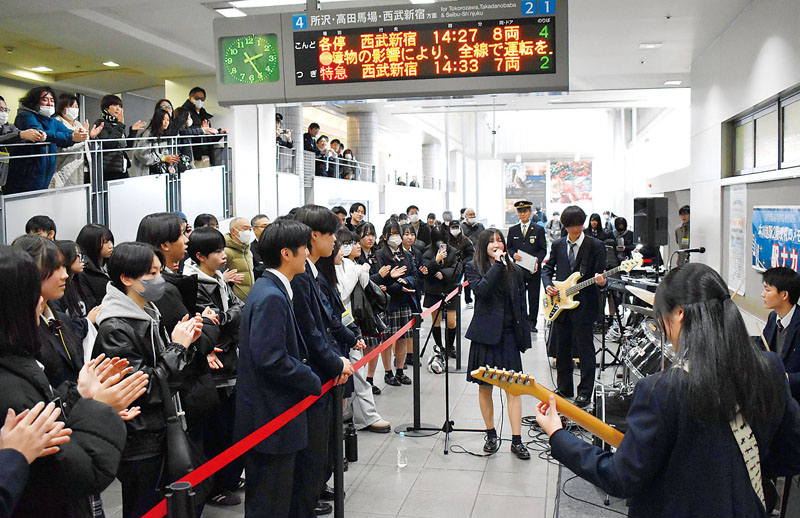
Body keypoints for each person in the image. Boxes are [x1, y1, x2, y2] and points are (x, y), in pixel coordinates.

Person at [536, 263, 800, 517]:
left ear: (680, 314)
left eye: (662, 319)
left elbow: (620, 478)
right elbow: (790, 453)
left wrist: (558, 435)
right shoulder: (771, 369)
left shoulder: (662, 390)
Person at [0, 244, 143, 518]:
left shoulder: (51, 330)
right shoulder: (12, 389)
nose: (41, 302)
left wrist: (80, 393)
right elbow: (81, 471)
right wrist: (96, 407)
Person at [94, 242, 202, 518]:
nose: (159, 279)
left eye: (158, 271)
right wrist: (177, 348)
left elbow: (172, 377)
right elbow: (146, 388)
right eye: (151, 273)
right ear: (127, 279)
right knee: (146, 508)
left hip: (160, 430)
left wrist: (186, 345)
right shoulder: (116, 327)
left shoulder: (147, 313)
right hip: (141, 440)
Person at [235, 219, 322, 518]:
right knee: (269, 501)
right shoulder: (271, 296)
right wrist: (310, 377)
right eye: (304, 248)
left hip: (272, 413)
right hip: (271, 415)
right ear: (287, 253)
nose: (308, 253)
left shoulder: (271, 288)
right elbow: (271, 358)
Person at [289, 205, 354, 517]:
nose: (335, 242)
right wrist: (334, 363)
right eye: (331, 235)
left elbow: (328, 323)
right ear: (314, 236)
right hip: (315, 373)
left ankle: (314, 490)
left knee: (324, 444)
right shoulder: (301, 278)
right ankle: (307, 498)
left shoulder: (314, 273)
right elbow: (311, 331)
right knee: (313, 449)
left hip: (327, 366)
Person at [183, 227, 245, 506]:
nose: (224, 256)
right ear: (199, 256)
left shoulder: (218, 279)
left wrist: (228, 316)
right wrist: (228, 316)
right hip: (213, 365)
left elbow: (235, 311)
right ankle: (213, 486)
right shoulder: (193, 284)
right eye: (218, 252)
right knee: (215, 432)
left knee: (230, 428)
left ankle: (227, 478)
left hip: (231, 360)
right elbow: (213, 323)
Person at [465, 229, 531, 459]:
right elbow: (481, 291)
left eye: (499, 240)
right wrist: (498, 266)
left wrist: (524, 335)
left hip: (509, 335)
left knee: (514, 388)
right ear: (484, 246)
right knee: (485, 386)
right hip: (485, 336)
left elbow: (521, 303)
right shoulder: (473, 267)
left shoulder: (514, 269)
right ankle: (491, 434)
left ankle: (517, 440)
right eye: (492, 241)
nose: (497, 244)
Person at [542, 205, 607, 408]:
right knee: (561, 349)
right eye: (571, 226)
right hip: (561, 304)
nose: (575, 230)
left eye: (579, 225)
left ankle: (585, 392)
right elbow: (547, 269)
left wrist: (603, 281)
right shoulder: (558, 245)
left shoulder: (596, 245)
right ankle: (564, 387)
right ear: (565, 225)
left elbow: (602, 275)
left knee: (585, 349)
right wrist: (549, 285)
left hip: (584, 305)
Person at [334, 227, 391, 432]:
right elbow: (341, 292)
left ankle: (363, 414)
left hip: (350, 327)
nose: (352, 247)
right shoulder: (340, 267)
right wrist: (362, 271)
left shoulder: (350, 265)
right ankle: (361, 415)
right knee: (352, 372)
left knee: (356, 371)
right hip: (339, 329)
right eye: (347, 244)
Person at [12, 235, 84, 389]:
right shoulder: (19, 332)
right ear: (29, 272)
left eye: (64, 266)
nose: (65, 275)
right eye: (55, 268)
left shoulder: (60, 318)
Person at [7, 86, 91, 194]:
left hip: (44, 176)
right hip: (25, 177)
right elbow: (40, 133)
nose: (49, 103)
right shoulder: (25, 116)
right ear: (35, 101)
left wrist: (77, 134)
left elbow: (67, 132)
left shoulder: (51, 120)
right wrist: (71, 137)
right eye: (45, 99)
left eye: (52, 100)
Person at [376, 219, 418, 386]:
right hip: (388, 302)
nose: (396, 237)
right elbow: (381, 281)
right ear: (386, 236)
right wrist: (398, 287)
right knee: (387, 339)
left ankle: (400, 370)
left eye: (397, 234)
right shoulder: (380, 255)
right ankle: (388, 372)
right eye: (392, 234)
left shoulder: (407, 255)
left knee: (403, 337)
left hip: (404, 301)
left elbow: (414, 275)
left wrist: (405, 282)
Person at [354, 222, 390, 394]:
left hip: (374, 307)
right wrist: (378, 277)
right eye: (366, 234)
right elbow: (360, 282)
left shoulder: (375, 256)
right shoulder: (355, 258)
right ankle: (360, 382)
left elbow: (377, 281)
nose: (370, 238)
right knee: (363, 345)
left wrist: (381, 283)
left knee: (375, 344)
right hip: (362, 308)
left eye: (372, 235)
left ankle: (370, 378)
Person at [507, 200, 547, 333]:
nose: (523, 214)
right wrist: (513, 255)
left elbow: (543, 249)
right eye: (520, 212)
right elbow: (509, 247)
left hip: (533, 269)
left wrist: (537, 262)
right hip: (518, 270)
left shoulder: (538, 229)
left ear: (530, 212)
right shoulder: (513, 230)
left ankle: (532, 322)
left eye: (525, 211)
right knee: (518, 295)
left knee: (534, 297)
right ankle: (520, 320)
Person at [422, 227, 462, 359]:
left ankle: (450, 346)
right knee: (436, 321)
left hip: (450, 289)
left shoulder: (454, 252)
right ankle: (439, 346)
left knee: (452, 321)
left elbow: (457, 270)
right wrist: (436, 260)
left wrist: (443, 274)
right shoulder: (427, 252)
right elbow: (425, 270)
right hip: (434, 291)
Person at [761, 267, 800, 401]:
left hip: (794, 398)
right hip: (773, 395)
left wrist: (787, 378)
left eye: (767, 289)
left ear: (784, 295)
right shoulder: (773, 317)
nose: (762, 294)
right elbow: (763, 344)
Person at [52, 240, 100, 342]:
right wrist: (87, 321)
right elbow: (63, 325)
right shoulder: (55, 292)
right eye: (77, 255)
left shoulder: (77, 282)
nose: (81, 259)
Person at [93, 94, 146, 182]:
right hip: (108, 169)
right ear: (106, 108)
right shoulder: (101, 123)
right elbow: (109, 144)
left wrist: (132, 131)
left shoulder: (117, 124)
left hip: (121, 167)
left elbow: (126, 147)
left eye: (120, 106)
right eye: (114, 105)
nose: (118, 108)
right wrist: (120, 124)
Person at [0, 94, 48, 189]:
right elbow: (9, 137)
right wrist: (20, 135)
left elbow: (20, 135)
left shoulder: (9, 127)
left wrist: (38, 136)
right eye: (0, 109)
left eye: (5, 110)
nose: (3, 113)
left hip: (4, 176)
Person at [52, 93, 98, 188]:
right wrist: (82, 138)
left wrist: (91, 137)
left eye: (77, 107)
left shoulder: (77, 124)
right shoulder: (57, 122)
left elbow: (86, 145)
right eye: (72, 106)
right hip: (65, 169)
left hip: (83, 168)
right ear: (62, 107)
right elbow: (61, 148)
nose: (75, 109)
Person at [180, 87, 226, 167]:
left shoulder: (203, 114)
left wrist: (218, 133)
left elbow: (207, 138)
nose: (200, 101)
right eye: (197, 98)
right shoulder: (183, 112)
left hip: (206, 154)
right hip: (192, 156)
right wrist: (202, 130)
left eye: (202, 98)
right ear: (191, 97)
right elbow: (183, 131)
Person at [130, 109, 180, 177]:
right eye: (163, 119)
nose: (166, 122)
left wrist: (170, 162)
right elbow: (142, 155)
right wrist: (163, 158)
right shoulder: (148, 133)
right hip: (144, 173)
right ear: (158, 120)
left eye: (168, 120)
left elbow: (166, 154)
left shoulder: (166, 135)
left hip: (159, 173)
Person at [76, 224, 115, 308]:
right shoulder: (83, 271)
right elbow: (90, 304)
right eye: (105, 242)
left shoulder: (111, 264)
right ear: (91, 244)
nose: (111, 246)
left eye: (111, 241)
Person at [225, 216, 257, 301]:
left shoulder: (248, 251)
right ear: (233, 231)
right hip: (235, 302)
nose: (248, 232)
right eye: (245, 228)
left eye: (250, 229)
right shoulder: (226, 252)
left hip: (250, 299)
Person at [461, 208, 484, 308]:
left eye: (474, 214)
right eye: (470, 214)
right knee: (467, 278)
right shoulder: (462, 226)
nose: (472, 216)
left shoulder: (480, 226)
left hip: (479, 255)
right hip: (467, 256)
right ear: (465, 216)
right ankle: (468, 299)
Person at [251, 214, 271, 280]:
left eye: (270, 226)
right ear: (254, 229)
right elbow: (253, 273)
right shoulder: (250, 249)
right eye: (264, 226)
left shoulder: (278, 245)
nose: (268, 229)